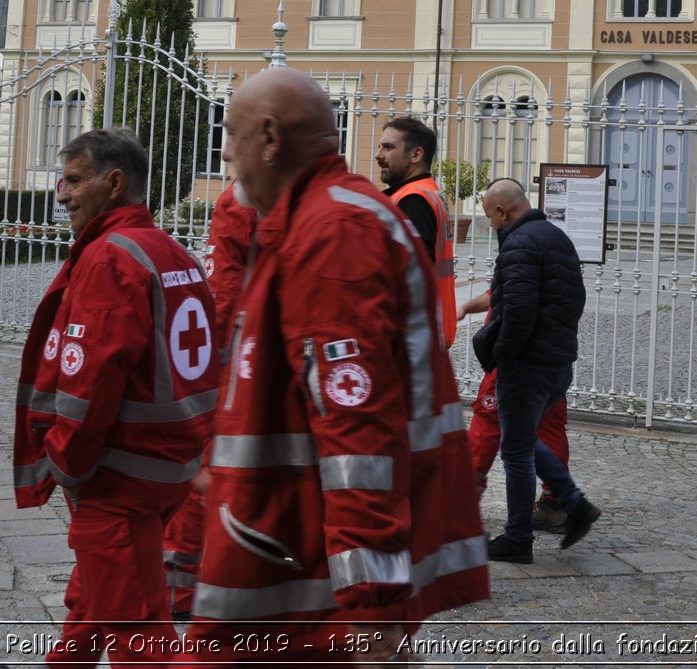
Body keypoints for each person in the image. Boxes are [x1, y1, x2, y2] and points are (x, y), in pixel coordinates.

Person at [186, 67, 488, 662]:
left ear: (270, 138)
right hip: (284, 545)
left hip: (308, 573)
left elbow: (358, 430)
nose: (224, 153)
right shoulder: (317, 216)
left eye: (230, 133)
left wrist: (371, 607)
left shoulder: (333, 232)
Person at [13, 128, 219, 667]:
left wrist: (66, 463)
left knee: (139, 633)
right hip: (169, 467)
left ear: (115, 182)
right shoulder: (174, 251)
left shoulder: (109, 258)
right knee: (93, 598)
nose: (61, 193)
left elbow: (91, 383)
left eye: (75, 180)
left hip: (118, 476)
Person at [472, 178, 600, 565]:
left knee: (515, 451)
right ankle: (574, 504)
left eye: (489, 218)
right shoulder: (556, 237)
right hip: (556, 361)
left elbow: (518, 310)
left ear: (502, 211)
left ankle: (517, 538)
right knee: (524, 439)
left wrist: (501, 355)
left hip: (526, 364)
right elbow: (573, 298)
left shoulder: (519, 243)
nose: (490, 226)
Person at [162, 180, 257, 621]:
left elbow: (223, 279)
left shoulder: (243, 196)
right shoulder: (316, 194)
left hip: (238, 354)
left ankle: (183, 585)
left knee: (205, 467)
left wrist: (208, 359)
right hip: (269, 353)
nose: (223, 153)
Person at [457, 289, 571, 533]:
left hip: (516, 355)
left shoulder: (522, 253)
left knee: (487, 422)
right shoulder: (562, 255)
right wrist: (467, 307)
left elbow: (509, 292)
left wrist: (503, 349)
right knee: (549, 425)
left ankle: (462, 502)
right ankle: (556, 503)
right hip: (551, 356)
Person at [376, 115, 459, 345]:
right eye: (380, 146)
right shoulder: (428, 192)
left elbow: (410, 273)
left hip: (412, 336)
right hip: (428, 329)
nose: (378, 155)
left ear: (416, 154)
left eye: (388, 147)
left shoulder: (413, 200)